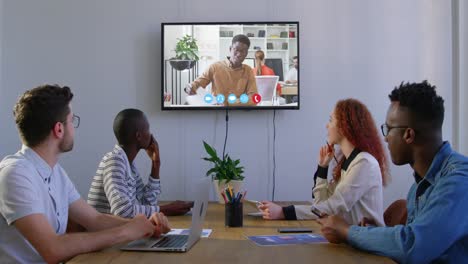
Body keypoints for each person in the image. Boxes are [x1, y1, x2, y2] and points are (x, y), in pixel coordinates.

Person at [0, 85, 170, 263]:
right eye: (72, 121)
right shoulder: (15, 174)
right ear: (59, 129)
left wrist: (146, 225)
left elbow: (94, 219)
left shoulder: (55, 172)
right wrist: (126, 231)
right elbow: (53, 249)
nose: (74, 128)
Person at [317, 81, 468, 263]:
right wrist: (374, 234)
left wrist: (347, 231)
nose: (385, 137)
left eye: (388, 129)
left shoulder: (459, 180)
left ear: (408, 135)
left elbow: (413, 245)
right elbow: (411, 237)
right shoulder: (419, 186)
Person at [259, 98, 388, 227]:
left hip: (364, 243)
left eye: (331, 120)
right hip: (350, 240)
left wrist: (284, 212)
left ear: (345, 126)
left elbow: (333, 207)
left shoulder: (364, 163)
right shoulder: (350, 161)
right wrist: (322, 168)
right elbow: (321, 205)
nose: (327, 125)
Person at [87, 109, 193, 217]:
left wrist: (156, 164)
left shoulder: (129, 165)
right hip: (102, 233)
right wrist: (167, 209)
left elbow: (146, 204)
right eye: (148, 129)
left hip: (118, 231)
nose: (151, 135)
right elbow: (123, 212)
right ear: (138, 136)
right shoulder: (114, 161)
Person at [186, 34, 258, 105]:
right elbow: (199, 83)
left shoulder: (248, 71)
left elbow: (253, 98)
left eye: (242, 51)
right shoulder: (215, 67)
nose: (239, 54)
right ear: (230, 49)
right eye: (236, 50)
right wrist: (191, 87)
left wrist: (229, 103)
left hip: (237, 112)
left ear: (246, 53)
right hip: (216, 112)